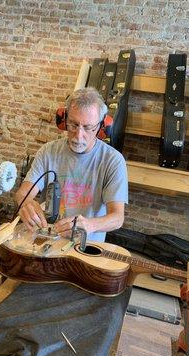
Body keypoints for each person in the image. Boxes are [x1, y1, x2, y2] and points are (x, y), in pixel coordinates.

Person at [15, 87, 128, 242]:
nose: (78, 135)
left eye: (88, 127)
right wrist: (27, 204)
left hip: (85, 247)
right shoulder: (48, 151)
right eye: (73, 125)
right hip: (48, 240)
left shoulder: (113, 161)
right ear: (64, 121)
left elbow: (117, 217)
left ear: (102, 127)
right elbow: (23, 193)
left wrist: (89, 225)